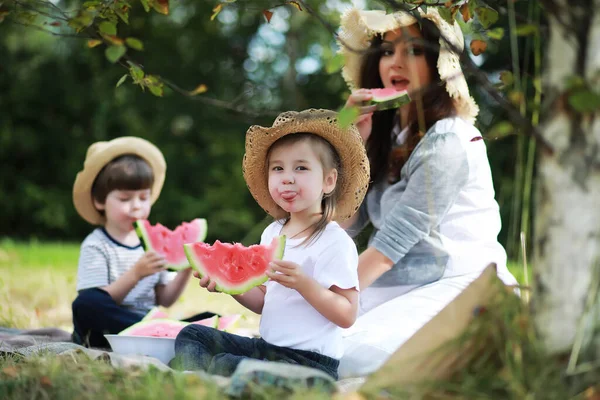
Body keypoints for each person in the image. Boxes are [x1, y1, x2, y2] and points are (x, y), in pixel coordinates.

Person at [335, 7, 519, 377]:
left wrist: (329, 296)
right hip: (405, 287)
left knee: (349, 357)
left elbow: (390, 245)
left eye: (413, 50)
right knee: (313, 343)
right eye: (386, 51)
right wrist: (348, 140)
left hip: (464, 287)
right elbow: (342, 226)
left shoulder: (450, 138)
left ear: (439, 63)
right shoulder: (385, 138)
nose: (395, 63)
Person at [171, 109, 370, 380]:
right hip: (267, 349)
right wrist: (229, 285)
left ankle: (214, 372)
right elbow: (265, 301)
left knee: (228, 363)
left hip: (310, 362)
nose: (287, 177)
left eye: (301, 167)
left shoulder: (335, 242)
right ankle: (192, 377)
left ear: (328, 180)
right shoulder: (273, 233)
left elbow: (347, 314)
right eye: (278, 168)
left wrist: (304, 283)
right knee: (192, 333)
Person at [71, 136, 215, 348]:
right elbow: (98, 300)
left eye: (143, 197)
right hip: (107, 328)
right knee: (85, 304)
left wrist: (186, 267)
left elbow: (165, 299)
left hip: (150, 324)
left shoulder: (154, 245)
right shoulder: (96, 244)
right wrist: (135, 274)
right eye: (125, 199)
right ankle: (166, 332)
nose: (136, 206)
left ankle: (164, 332)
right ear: (99, 201)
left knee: (211, 316)